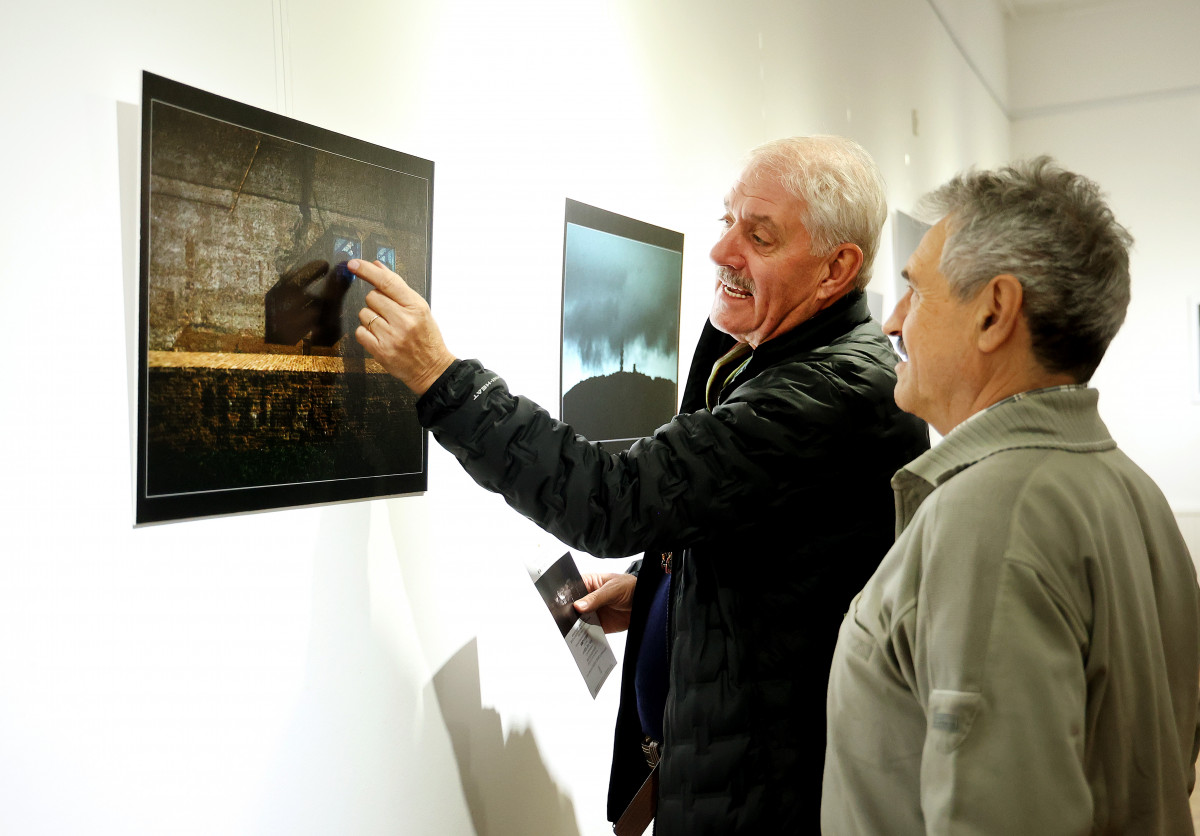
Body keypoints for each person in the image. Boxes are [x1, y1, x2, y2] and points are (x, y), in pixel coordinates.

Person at [350, 136, 929, 834]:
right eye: (728, 221)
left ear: (837, 268)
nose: (722, 252)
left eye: (760, 235)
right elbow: (746, 525)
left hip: (766, 804)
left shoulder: (829, 393)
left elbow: (615, 498)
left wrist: (442, 379)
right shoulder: (758, 350)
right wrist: (662, 589)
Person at [821, 157, 1200, 834]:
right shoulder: (1131, 491)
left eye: (916, 292)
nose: (893, 322)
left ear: (994, 312)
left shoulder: (989, 517)